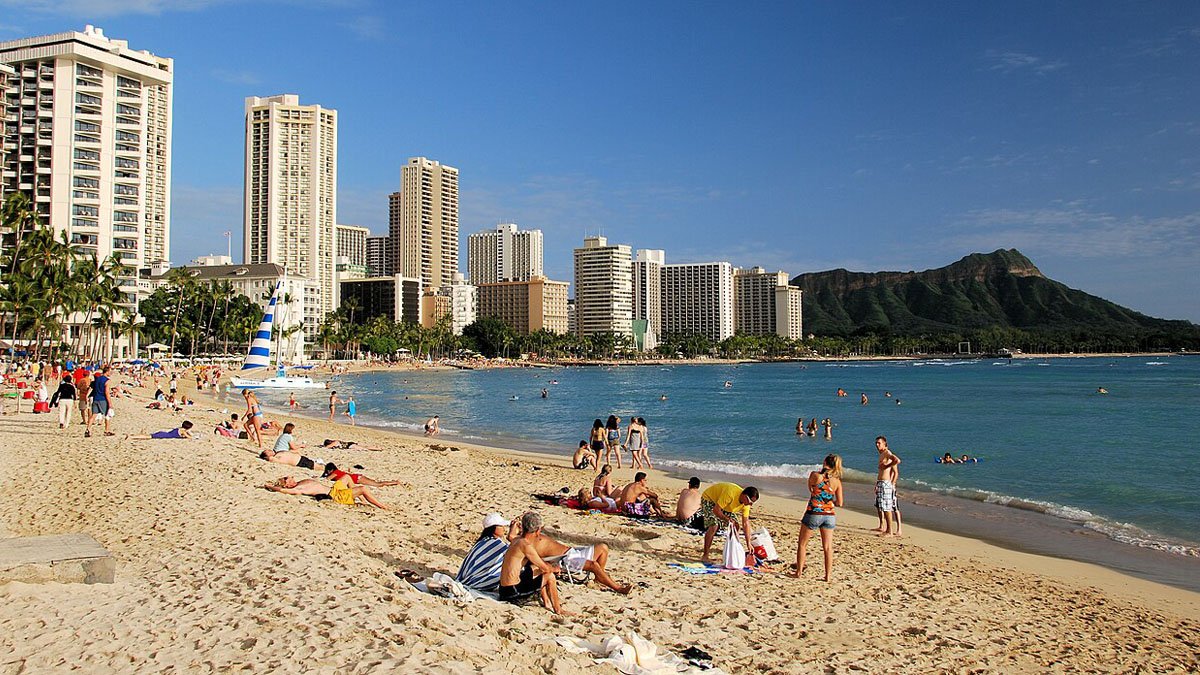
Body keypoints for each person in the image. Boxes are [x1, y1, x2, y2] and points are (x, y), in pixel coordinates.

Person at [497, 512, 570, 614]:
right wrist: (556, 568)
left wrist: (514, 525)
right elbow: (545, 568)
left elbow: (511, 535)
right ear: (538, 531)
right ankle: (558, 610)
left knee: (535, 567)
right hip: (512, 594)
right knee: (549, 576)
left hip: (503, 589)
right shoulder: (526, 546)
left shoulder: (517, 540)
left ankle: (547, 602)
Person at [791, 453, 844, 582]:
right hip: (829, 515)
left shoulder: (815, 475)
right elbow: (840, 503)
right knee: (827, 547)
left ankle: (799, 572)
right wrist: (829, 502)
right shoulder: (837, 481)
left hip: (814, 512)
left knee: (802, 544)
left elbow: (811, 489)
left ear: (824, 462)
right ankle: (828, 576)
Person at [456, 513, 520, 592]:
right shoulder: (494, 543)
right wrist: (512, 536)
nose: (504, 529)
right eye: (501, 526)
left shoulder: (484, 540)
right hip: (477, 580)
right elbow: (516, 551)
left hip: (469, 577)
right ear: (493, 528)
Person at [699, 482, 759, 563]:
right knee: (714, 526)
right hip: (710, 500)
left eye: (752, 503)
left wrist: (748, 543)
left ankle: (732, 550)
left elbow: (745, 523)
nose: (750, 504)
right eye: (750, 502)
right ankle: (705, 555)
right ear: (744, 496)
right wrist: (726, 519)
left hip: (725, 506)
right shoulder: (730, 493)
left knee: (736, 526)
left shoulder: (746, 504)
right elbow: (716, 510)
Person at [873, 436, 902, 537]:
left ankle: (890, 531)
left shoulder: (887, 453)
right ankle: (885, 528)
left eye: (879, 443)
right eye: (876, 443)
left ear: (884, 444)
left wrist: (886, 466)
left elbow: (897, 460)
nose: (877, 445)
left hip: (886, 483)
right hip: (881, 482)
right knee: (882, 506)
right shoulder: (882, 454)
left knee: (887, 507)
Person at [84, 365, 114, 437]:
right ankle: (107, 430)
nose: (111, 373)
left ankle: (88, 429)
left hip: (95, 398)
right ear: (107, 372)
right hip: (102, 399)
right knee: (107, 415)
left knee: (93, 415)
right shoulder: (107, 380)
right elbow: (107, 392)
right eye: (110, 371)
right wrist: (110, 403)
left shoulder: (97, 379)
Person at [320, 462, 400, 486]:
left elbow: (327, 479)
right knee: (377, 483)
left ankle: (395, 482)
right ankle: (394, 482)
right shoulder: (337, 472)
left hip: (357, 479)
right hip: (357, 477)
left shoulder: (335, 473)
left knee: (378, 484)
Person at [127, 421, 195, 440]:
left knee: (148, 435)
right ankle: (131, 437)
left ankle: (132, 436)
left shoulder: (180, 428)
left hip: (164, 433)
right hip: (163, 435)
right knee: (148, 437)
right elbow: (189, 437)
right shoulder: (183, 431)